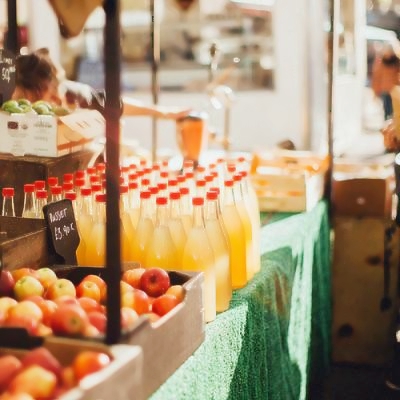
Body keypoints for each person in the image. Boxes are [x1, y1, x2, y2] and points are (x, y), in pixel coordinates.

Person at [11, 47, 191, 120]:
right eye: (26, 97)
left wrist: (163, 112)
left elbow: (113, 104)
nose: (55, 102)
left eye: (51, 94)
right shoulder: (11, 99)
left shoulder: (73, 96)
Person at [371, 46, 400, 121]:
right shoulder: (382, 63)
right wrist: (375, 92)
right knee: (387, 109)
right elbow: (377, 78)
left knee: (394, 109)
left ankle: (391, 122)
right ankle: (388, 122)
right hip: (386, 89)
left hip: (394, 90)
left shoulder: (396, 61)